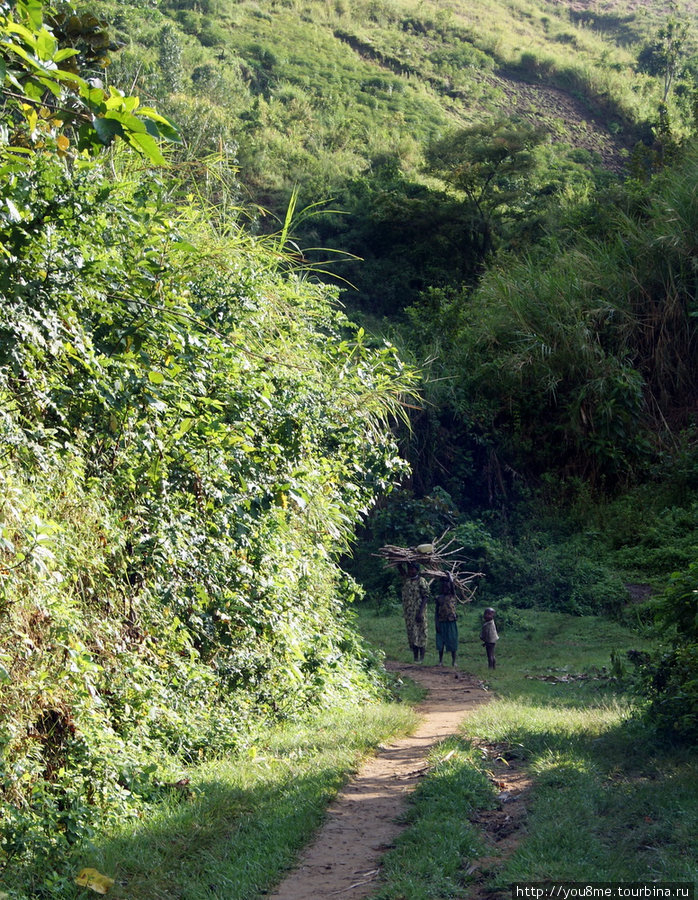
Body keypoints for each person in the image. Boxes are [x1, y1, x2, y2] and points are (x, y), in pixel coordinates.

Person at [400, 562, 430, 662]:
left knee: (421, 633)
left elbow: (426, 596)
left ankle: (422, 658)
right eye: (409, 569)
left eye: (413, 569)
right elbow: (400, 570)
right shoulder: (407, 581)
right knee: (412, 635)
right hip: (409, 614)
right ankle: (415, 658)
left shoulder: (421, 581)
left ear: (417, 570)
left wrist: (421, 612)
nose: (410, 571)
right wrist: (400, 561)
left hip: (419, 612)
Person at [434, 573, 458, 666]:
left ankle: (454, 661)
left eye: (447, 588)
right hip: (441, 622)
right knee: (441, 643)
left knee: (452, 641)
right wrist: (436, 623)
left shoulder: (452, 596)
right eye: (444, 588)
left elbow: (452, 586)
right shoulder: (438, 598)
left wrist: (449, 576)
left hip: (451, 622)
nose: (446, 589)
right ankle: (440, 661)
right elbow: (436, 612)